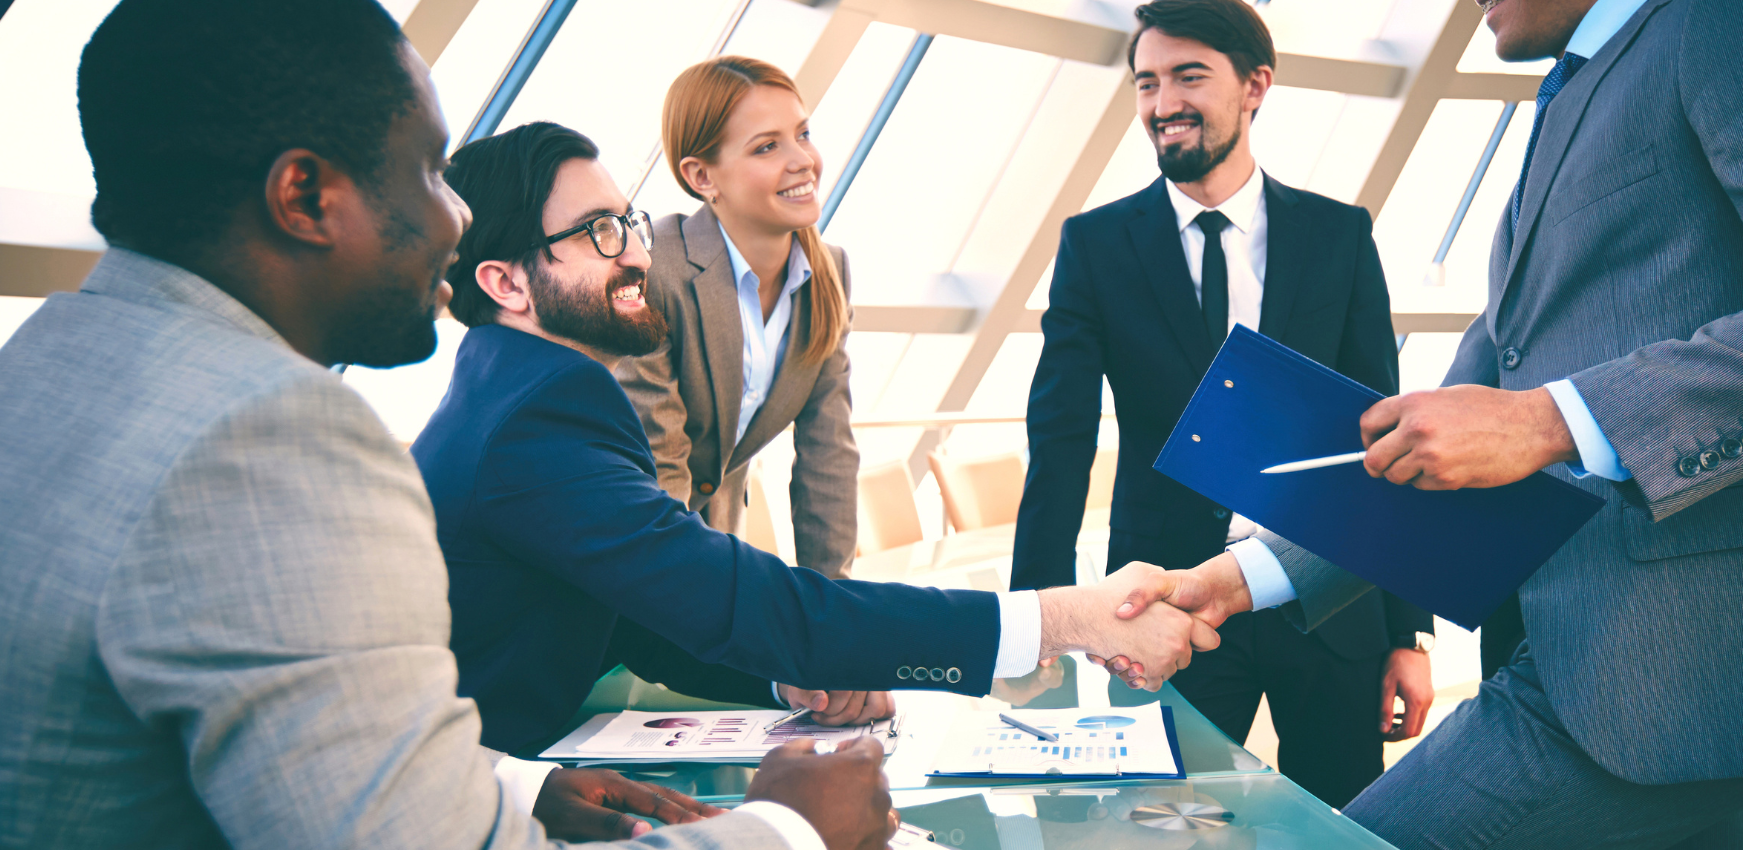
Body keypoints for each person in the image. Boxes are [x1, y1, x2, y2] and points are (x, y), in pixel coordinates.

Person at [1108, 0, 1743, 848]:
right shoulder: (1566, 109)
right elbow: (1439, 436)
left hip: (1674, 664)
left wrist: (1550, 420)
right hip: (1610, 673)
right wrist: (1241, 577)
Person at [0, 0, 897, 850]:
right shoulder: (270, 437)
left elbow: (282, 737)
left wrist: (513, 785)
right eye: (428, 172)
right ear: (303, 196)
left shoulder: (47, 367)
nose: (459, 219)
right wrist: (788, 828)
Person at [412, 119, 1218, 757]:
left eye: (629, 222)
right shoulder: (539, 418)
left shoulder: (517, 393)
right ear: (506, 282)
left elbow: (642, 614)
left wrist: (789, 682)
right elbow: (737, 599)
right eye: (598, 232)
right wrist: (1065, 618)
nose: (635, 253)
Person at [1009, 0, 1435, 807]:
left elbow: (1381, 436)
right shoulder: (1095, 246)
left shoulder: (1338, 236)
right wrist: (1041, 621)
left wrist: (1406, 630)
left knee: (1344, 822)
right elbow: (1059, 440)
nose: (1161, 103)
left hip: (1329, 600)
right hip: (1164, 604)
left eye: (1189, 76)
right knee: (1158, 824)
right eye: (1146, 82)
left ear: (1255, 85)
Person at [617, 56, 857, 578]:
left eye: (803, 134)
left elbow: (829, 458)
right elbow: (661, 466)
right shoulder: (656, 271)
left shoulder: (829, 273)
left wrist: (834, 603)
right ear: (702, 176)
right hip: (634, 555)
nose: (803, 160)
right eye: (767, 146)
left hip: (716, 544)